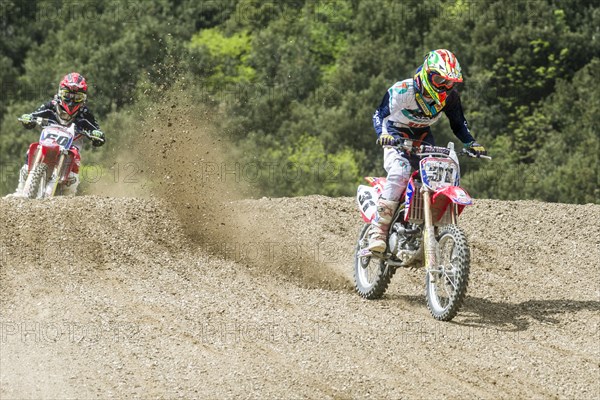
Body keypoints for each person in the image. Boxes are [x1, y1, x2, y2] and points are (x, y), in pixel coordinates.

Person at [368, 49, 486, 253]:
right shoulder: (404, 90)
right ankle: (378, 229)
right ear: (428, 74)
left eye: (450, 82)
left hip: (422, 135)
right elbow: (379, 114)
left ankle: (426, 227)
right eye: (440, 79)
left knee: (437, 176)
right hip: (395, 133)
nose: (445, 86)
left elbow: (458, 124)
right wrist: (382, 134)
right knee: (401, 171)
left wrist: (471, 143)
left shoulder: (450, 98)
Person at [10, 72, 105, 197]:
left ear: (84, 98)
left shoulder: (85, 113)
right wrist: (29, 118)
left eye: (77, 97)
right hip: (48, 140)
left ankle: (68, 196)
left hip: (72, 145)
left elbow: (96, 129)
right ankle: (20, 191)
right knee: (30, 152)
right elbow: (35, 114)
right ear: (60, 92)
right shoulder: (51, 106)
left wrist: (97, 134)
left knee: (74, 165)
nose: (71, 101)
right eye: (67, 96)